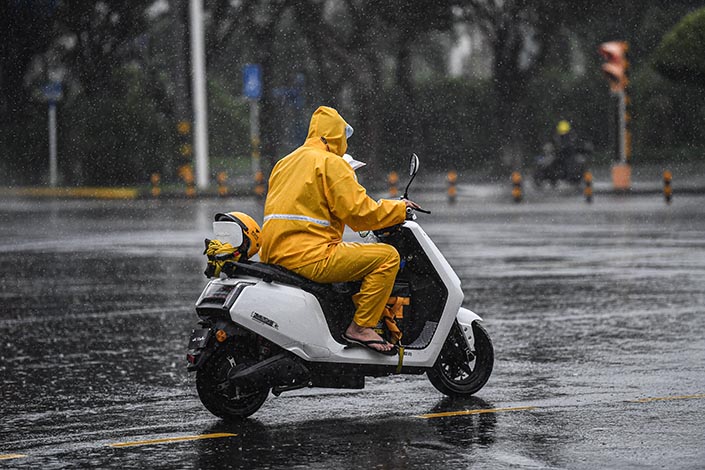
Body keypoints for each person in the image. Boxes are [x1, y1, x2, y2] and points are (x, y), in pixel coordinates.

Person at [259, 105, 419, 355]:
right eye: (344, 137)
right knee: (387, 258)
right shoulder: (330, 163)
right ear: (335, 136)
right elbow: (360, 214)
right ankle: (361, 327)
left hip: (273, 256)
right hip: (310, 256)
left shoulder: (285, 162)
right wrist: (398, 209)